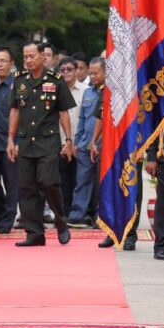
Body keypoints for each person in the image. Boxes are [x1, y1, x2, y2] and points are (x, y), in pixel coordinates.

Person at [7, 42, 76, 246]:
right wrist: (10, 139)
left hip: (48, 141)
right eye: (25, 57)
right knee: (26, 188)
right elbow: (15, 110)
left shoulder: (55, 80)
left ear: (42, 57)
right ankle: (34, 233)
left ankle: (60, 222)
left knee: (48, 182)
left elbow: (63, 112)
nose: (28, 60)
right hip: (25, 141)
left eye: (32, 56)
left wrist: (68, 140)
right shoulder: (19, 79)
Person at [68, 56, 104, 226]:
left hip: (104, 146)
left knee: (102, 184)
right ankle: (77, 215)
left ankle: (101, 217)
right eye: (91, 73)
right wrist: (77, 142)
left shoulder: (111, 93)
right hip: (85, 144)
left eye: (96, 73)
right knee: (82, 181)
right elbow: (82, 119)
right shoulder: (88, 92)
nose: (93, 76)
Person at [0, 47, 19, 233]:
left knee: (11, 184)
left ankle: (8, 220)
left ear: (11, 64)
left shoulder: (18, 85)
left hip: (10, 144)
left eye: (3, 61)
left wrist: (16, 142)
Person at [56, 57, 85, 214]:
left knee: (80, 181)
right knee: (63, 181)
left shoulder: (86, 91)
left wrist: (78, 143)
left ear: (76, 71)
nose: (66, 72)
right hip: (60, 143)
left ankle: (80, 213)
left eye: (69, 69)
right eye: (62, 70)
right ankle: (65, 212)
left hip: (80, 145)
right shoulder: (54, 90)